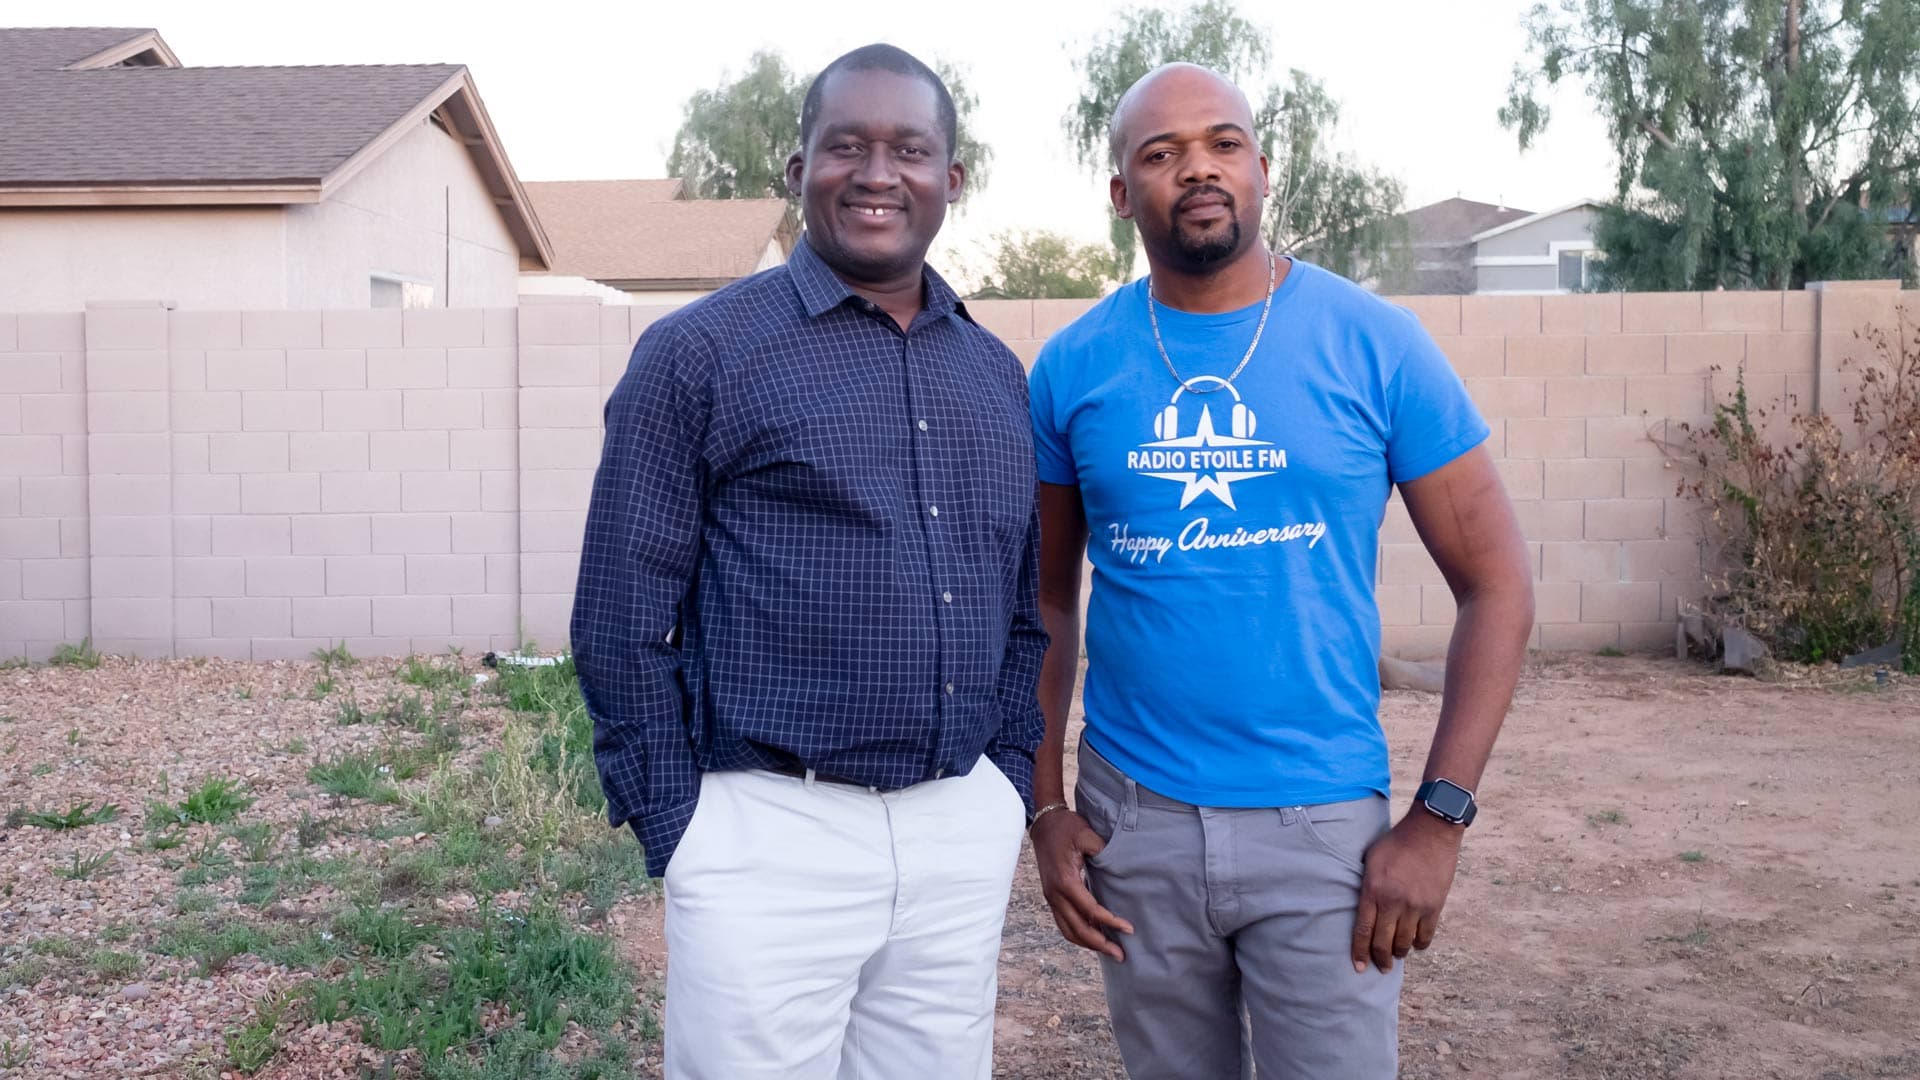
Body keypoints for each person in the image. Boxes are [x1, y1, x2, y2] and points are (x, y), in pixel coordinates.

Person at [1026, 63, 1535, 1079]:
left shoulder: (1375, 344)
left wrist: (1437, 822)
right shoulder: (1073, 367)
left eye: (1223, 143)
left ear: (1264, 168)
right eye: (1160, 154)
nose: (1198, 169)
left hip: (1325, 836)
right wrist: (1045, 810)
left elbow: (1499, 583)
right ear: (1123, 194)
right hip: (1137, 825)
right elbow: (1042, 604)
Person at [570, 43, 1045, 1080]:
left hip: (955, 831)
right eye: (847, 146)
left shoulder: (996, 374)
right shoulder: (699, 355)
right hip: (764, 834)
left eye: (910, 149)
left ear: (951, 181)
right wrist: (677, 826)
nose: (879, 173)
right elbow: (620, 613)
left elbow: (1022, 610)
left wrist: (1003, 786)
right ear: (798, 171)